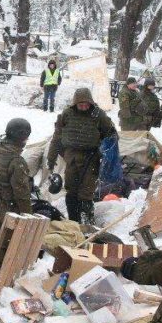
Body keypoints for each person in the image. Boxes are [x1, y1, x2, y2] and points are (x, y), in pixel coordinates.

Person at [47, 88, 116, 224]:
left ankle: (87, 223)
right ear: (75, 103)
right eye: (80, 104)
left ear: (90, 102)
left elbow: (111, 135)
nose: (84, 106)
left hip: (91, 158)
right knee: (71, 191)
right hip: (71, 156)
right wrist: (51, 158)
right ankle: (74, 221)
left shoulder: (99, 115)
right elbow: (57, 138)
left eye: (86, 103)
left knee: (86, 192)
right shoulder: (67, 115)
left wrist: (105, 151)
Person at [0, 118, 33, 236]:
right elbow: (21, 194)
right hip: (6, 211)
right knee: (6, 243)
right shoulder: (17, 161)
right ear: (21, 137)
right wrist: (28, 217)